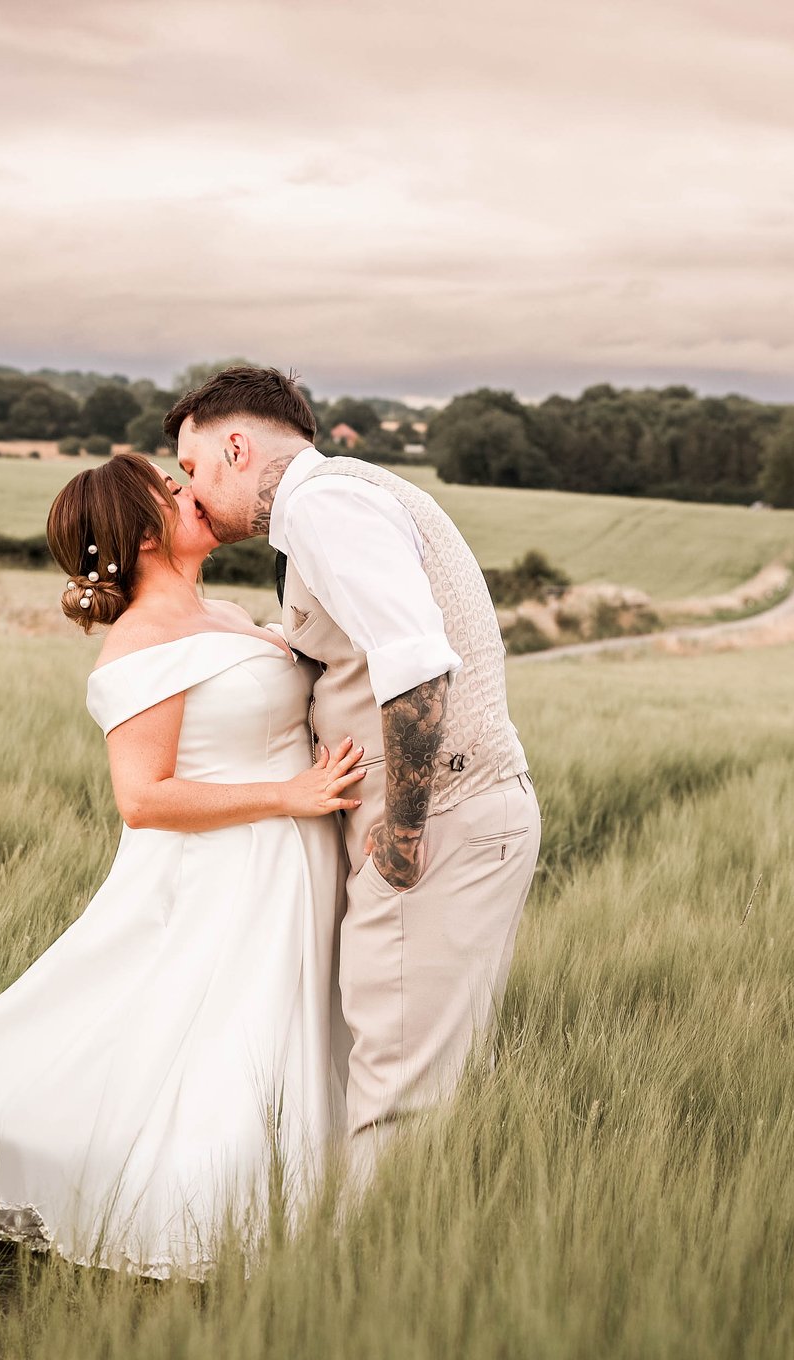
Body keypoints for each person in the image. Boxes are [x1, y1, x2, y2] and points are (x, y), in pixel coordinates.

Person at [0, 452, 362, 1280]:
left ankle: (326, 1200)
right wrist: (291, 792)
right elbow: (144, 797)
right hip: (226, 870)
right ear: (142, 532)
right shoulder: (138, 646)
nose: (187, 490)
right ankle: (222, 1214)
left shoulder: (224, 608)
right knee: (230, 1040)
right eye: (167, 489)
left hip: (291, 857)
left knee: (289, 1030)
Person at [168, 366, 541, 1192]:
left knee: (396, 1108)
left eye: (194, 469)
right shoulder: (336, 504)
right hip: (451, 819)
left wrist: (404, 837)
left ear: (237, 447)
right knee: (399, 1087)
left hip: (435, 824)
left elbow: (415, 669)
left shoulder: (323, 506)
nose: (190, 492)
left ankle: (363, 1299)